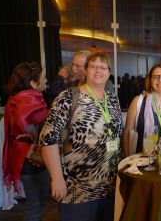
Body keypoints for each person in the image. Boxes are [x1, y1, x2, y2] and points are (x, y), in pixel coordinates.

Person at [39, 52, 123, 221]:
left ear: (108, 72)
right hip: (77, 189)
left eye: (102, 67)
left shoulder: (112, 99)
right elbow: (47, 138)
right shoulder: (68, 97)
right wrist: (56, 178)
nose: (98, 70)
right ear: (86, 71)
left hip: (110, 187)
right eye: (93, 66)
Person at [3, 62, 49, 221]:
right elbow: (35, 129)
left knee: (35, 203)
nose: (46, 81)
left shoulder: (16, 98)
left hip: (21, 156)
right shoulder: (30, 100)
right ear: (33, 83)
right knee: (36, 205)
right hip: (32, 158)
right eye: (43, 78)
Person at [123, 64, 161, 156]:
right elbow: (127, 133)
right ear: (150, 81)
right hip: (142, 162)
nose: (160, 80)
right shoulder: (138, 102)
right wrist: (127, 159)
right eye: (155, 77)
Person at [48, 50, 114, 106]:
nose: (73, 68)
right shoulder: (72, 85)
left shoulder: (105, 86)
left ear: (87, 67)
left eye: (78, 66)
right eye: (73, 64)